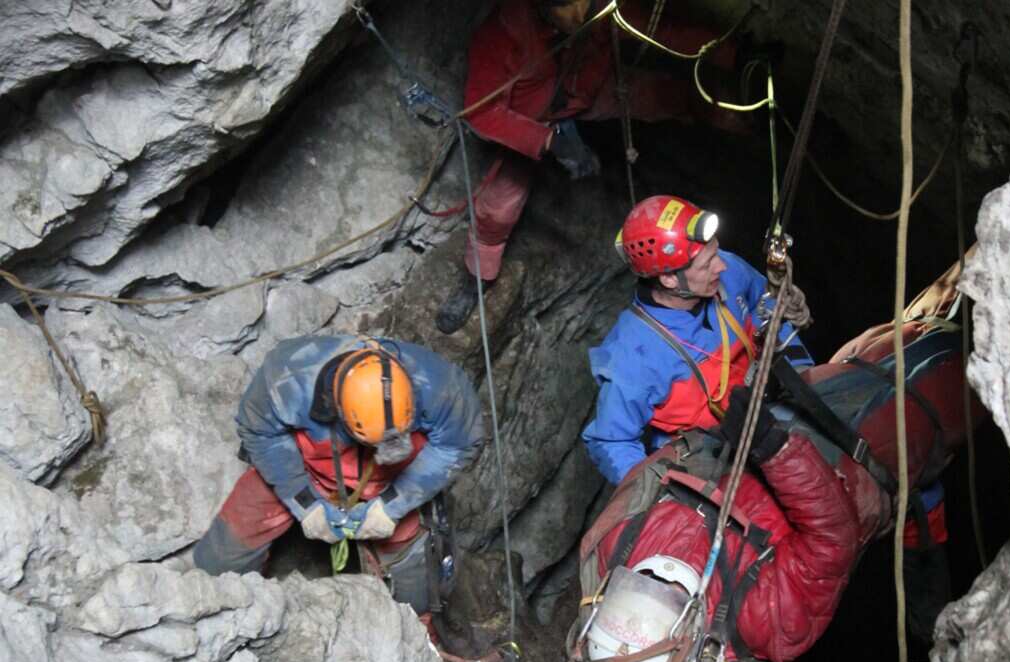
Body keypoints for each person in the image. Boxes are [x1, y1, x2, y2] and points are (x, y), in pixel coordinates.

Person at [567, 388, 899, 662]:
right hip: (825, 472)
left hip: (741, 445)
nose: (663, 582)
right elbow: (833, 540)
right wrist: (774, 451)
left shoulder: (610, 551)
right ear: (691, 653)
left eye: (639, 596)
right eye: (664, 610)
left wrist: (707, 439)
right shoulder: (764, 619)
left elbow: (655, 470)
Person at [436, 0, 746, 334]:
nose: (581, 16)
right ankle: (477, 279)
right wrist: (549, 141)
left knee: (665, 94)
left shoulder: (600, 9)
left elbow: (660, 29)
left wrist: (732, 54)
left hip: (586, 92)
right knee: (498, 208)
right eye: (568, 7)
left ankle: (739, 119)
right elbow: (482, 112)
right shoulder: (504, 32)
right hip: (531, 118)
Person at [193, 335, 485, 616]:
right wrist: (305, 503)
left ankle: (419, 632)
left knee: (414, 582)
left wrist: (393, 505)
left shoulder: (440, 387)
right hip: (303, 466)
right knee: (222, 557)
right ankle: (218, 607)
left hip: (394, 475)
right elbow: (260, 434)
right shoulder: (288, 381)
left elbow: (458, 445)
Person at [581, 194, 813, 487]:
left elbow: (766, 304)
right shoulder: (632, 357)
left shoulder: (729, 273)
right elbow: (611, 441)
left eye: (716, 252)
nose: (721, 266)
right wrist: (663, 491)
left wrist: (798, 370)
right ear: (669, 279)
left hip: (773, 407)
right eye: (707, 264)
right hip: (711, 460)